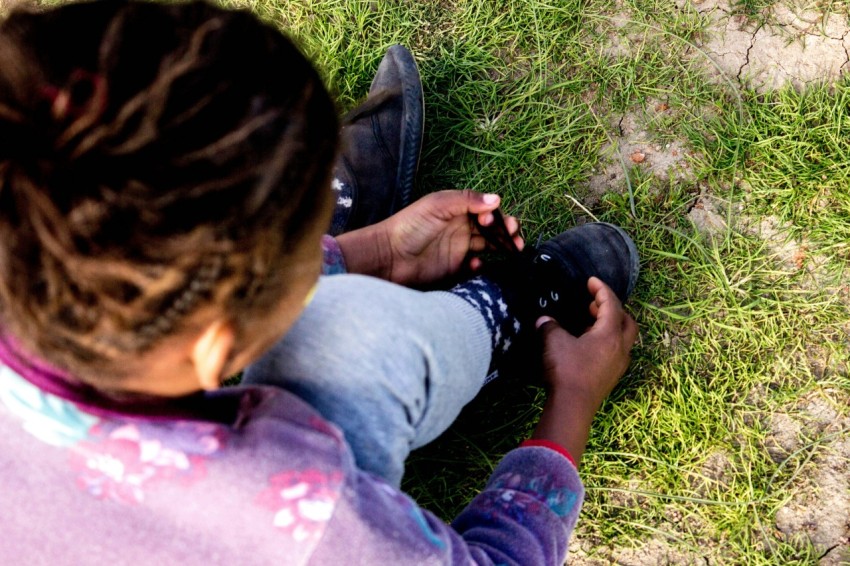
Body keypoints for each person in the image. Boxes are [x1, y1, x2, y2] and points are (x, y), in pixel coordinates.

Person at [0, 1, 639, 564]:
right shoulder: (289, 520)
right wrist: (571, 405)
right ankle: (510, 313)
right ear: (216, 345)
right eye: (307, 226)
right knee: (352, 340)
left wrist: (381, 251)